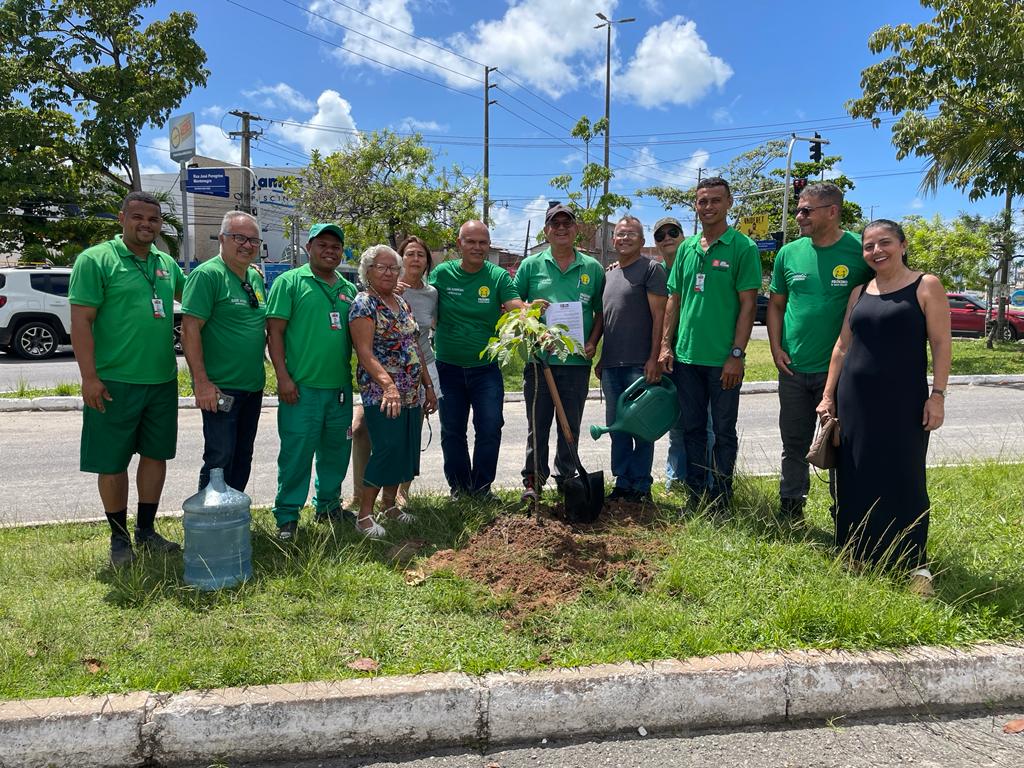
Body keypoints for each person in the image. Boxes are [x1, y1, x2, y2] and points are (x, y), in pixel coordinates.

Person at [816, 219, 951, 596]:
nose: (876, 251)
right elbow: (842, 347)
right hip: (854, 400)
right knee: (854, 474)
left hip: (903, 400)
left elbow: (941, 343)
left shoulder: (926, 285)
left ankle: (914, 564)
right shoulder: (859, 291)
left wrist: (937, 395)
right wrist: (828, 396)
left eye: (885, 243)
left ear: (903, 244)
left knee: (905, 476)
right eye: (869, 246)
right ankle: (857, 552)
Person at [69, 191, 186, 567]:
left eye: (153, 219)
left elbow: (199, 300)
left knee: (156, 456)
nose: (146, 225)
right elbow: (81, 323)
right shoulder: (96, 260)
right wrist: (89, 377)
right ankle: (119, 540)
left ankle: (147, 531)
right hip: (113, 382)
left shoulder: (166, 264)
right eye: (137, 217)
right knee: (113, 462)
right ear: (122, 218)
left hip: (162, 381)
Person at [768, 182, 873, 520]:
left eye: (806, 210)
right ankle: (791, 508)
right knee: (793, 444)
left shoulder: (861, 251)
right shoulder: (789, 253)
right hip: (794, 367)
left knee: (840, 444)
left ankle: (844, 513)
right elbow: (776, 305)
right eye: (798, 209)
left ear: (832, 211)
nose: (799, 216)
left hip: (844, 372)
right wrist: (775, 347)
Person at [660, 177, 760, 510]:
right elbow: (674, 299)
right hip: (686, 359)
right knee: (692, 429)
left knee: (724, 431)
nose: (708, 207)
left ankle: (721, 496)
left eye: (715, 200)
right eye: (702, 201)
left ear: (729, 203)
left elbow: (748, 305)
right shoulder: (687, 248)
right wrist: (665, 346)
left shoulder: (742, 247)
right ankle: (696, 492)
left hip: (723, 361)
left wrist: (736, 354)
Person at [265, 223, 358, 541]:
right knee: (296, 453)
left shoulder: (348, 289)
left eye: (336, 246)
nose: (330, 251)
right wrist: (282, 377)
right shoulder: (289, 282)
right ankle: (287, 515)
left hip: (340, 390)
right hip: (300, 389)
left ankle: (328, 506)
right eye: (323, 245)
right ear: (309, 247)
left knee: (336, 451)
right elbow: (274, 332)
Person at [513, 203, 604, 502]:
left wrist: (592, 342)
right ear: (546, 231)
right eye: (555, 224)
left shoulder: (592, 268)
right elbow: (512, 303)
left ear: (576, 230)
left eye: (567, 223)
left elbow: (601, 312)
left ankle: (566, 478)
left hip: (576, 363)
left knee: (571, 425)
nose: (561, 228)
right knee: (537, 426)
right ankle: (533, 482)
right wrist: (529, 309)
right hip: (540, 362)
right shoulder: (531, 266)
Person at [430, 220, 524, 499]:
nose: (477, 247)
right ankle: (459, 488)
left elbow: (515, 306)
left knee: (491, 426)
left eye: (483, 242)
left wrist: (528, 312)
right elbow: (421, 299)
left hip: (486, 369)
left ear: (489, 245)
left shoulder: (497, 277)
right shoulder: (442, 274)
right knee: (452, 430)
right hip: (448, 368)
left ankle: (482, 487)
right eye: (470, 241)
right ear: (459, 244)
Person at [349, 245, 438, 537]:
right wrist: (388, 386)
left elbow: (416, 347)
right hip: (383, 393)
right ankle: (364, 516)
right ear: (367, 272)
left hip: (412, 391)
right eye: (381, 267)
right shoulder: (364, 304)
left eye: (393, 268)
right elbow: (364, 353)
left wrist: (428, 386)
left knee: (403, 451)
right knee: (386, 450)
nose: (389, 273)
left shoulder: (402, 302)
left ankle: (390, 507)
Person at [181, 211, 268, 493]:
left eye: (253, 240)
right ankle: (210, 524)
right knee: (219, 458)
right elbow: (190, 329)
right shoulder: (207, 275)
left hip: (252, 387)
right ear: (222, 239)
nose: (247, 245)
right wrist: (202, 383)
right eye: (239, 237)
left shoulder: (254, 277)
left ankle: (233, 519)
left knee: (243, 457)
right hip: (221, 389)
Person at [597, 215, 667, 503]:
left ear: (642, 240)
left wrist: (654, 358)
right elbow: (606, 318)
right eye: (620, 234)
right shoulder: (608, 274)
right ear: (613, 240)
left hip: (640, 365)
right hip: (612, 366)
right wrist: (600, 357)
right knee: (618, 428)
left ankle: (641, 486)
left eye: (631, 235)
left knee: (642, 428)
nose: (624, 239)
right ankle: (622, 483)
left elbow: (659, 317)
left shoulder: (651, 270)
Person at [652, 215, 715, 491]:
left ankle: (707, 480)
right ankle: (676, 480)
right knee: (677, 426)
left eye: (672, 232)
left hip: (700, 357)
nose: (667, 238)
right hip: (668, 361)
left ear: (684, 236)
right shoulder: (653, 272)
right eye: (660, 235)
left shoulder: (699, 262)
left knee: (706, 425)